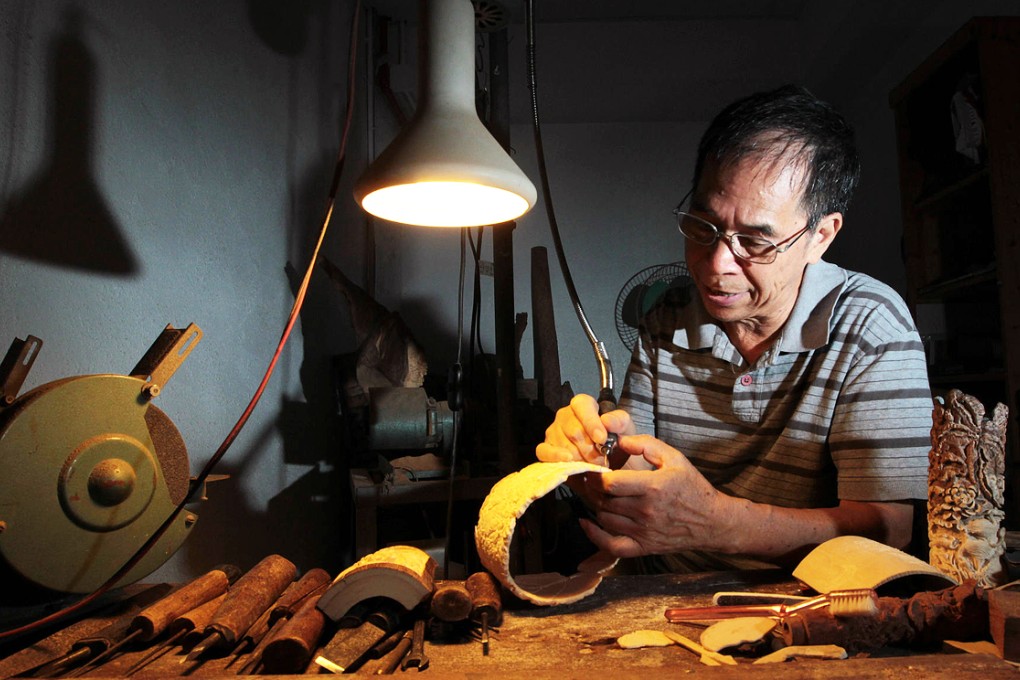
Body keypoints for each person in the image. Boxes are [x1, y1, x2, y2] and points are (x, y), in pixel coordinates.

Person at [537, 84, 933, 572]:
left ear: (820, 237)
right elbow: (641, 472)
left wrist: (716, 523)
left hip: (801, 604)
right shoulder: (667, 320)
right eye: (704, 227)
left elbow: (890, 530)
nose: (717, 263)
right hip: (662, 591)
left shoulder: (871, 325)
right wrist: (598, 458)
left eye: (754, 241)